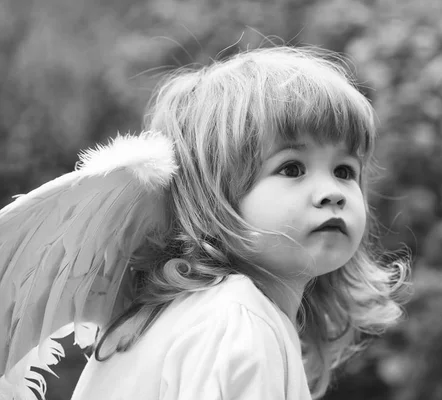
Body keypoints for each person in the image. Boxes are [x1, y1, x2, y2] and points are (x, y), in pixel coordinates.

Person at [0, 46, 409, 400]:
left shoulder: (193, 314)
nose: (331, 192)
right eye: (291, 168)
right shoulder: (237, 321)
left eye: (344, 170)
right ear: (214, 194)